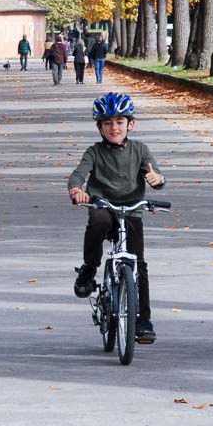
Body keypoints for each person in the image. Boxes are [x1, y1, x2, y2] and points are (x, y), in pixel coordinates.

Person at [68, 92, 167, 343]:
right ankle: (89, 269)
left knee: (139, 265)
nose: (114, 128)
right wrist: (77, 190)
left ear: (130, 124)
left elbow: (154, 174)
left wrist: (158, 180)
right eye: (108, 123)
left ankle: (143, 320)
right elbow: (79, 174)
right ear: (100, 127)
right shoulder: (94, 152)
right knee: (99, 221)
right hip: (104, 205)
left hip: (132, 210)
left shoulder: (140, 150)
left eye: (120, 122)